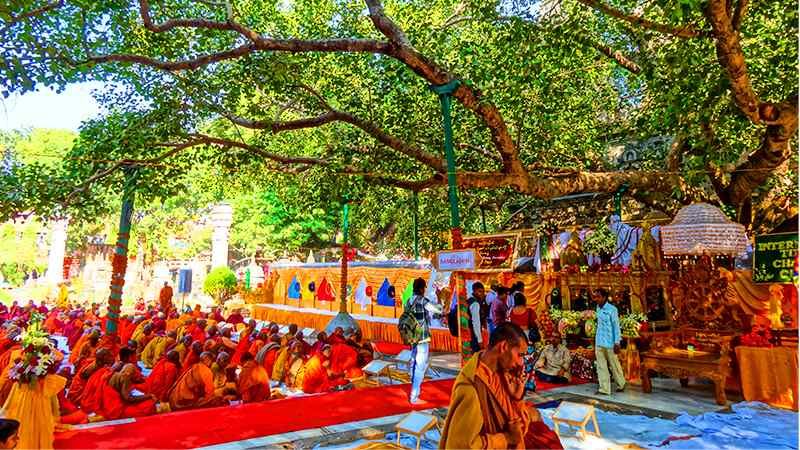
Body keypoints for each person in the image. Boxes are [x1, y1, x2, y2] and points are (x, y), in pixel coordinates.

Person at [439, 323, 562, 449]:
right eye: (519, 355)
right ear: (503, 347)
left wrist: (517, 397)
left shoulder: (501, 372)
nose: (521, 363)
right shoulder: (472, 388)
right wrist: (506, 438)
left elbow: (515, 422)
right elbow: (461, 446)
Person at [404, 278, 443, 404]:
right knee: (420, 366)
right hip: (422, 338)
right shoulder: (423, 301)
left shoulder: (409, 301)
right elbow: (438, 310)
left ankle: (413, 383)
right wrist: (439, 298)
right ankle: (414, 396)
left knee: (415, 361)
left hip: (412, 337)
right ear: (422, 288)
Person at [594, 288, 626, 395]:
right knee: (601, 366)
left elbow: (616, 326)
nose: (596, 299)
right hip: (599, 341)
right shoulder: (597, 308)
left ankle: (621, 384)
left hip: (610, 343)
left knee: (614, 364)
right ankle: (604, 389)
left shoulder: (612, 309)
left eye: (598, 296)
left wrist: (617, 342)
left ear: (604, 297)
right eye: (595, 296)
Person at [467, 282, 489, 354]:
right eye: (480, 291)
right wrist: (480, 340)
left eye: (483, 292)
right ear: (474, 291)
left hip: (468, 333)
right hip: (473, 335)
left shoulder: (468, 300)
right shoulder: (475, 304)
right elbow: (476, 323)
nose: (482, 294)